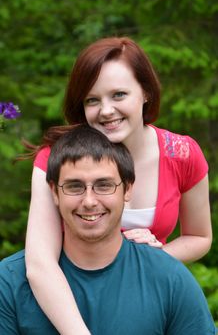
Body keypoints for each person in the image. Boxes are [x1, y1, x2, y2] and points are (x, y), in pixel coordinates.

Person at [25, 37, 212, 334]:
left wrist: (152, 257)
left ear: (146, 93)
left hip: (145, 301)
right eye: (92, 100)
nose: (106, 111)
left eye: (119, 95)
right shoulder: (55, 159)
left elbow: (200, 236)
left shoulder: (183, 154)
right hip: (65, 299)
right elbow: (39, 263)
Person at [0, 125, 216, 334]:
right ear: (55, 193)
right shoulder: (10, 283)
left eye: (104, 185)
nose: (89, 201)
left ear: (127, 189)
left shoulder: (170, 279)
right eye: (74, 186)